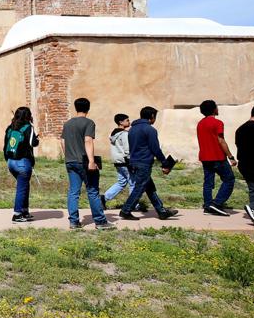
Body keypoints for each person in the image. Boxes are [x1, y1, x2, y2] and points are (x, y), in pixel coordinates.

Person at [60, 98, 114, 230]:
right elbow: (88, 140)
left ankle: (74, 222)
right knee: (92, 191)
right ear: (88, 108)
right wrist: (91, 161)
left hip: (70, 161)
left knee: (73, 192)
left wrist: (68, 156)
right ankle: (100, 222)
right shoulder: (89, 122)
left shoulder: (67, 124)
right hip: (84, 162)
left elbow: (62, 141)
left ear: (75, 108)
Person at [119, 106, 179, 221]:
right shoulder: (150, 130)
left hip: (134, 162)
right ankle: (126, 210)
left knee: (150, 188)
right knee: (139, 188)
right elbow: (155, 149)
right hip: (144, 163)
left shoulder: (132, 129)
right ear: (152, 116)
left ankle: (161, 211)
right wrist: (165, 163)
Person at [197, 100, 236, 216]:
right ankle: (217, 204)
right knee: (229, 179)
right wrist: (230, 156)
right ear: (214, 109)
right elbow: (221, 141)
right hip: (218, 157)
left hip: (205, 157)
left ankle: (208, 206)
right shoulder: (218, 123)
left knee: (208, 183)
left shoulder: (200, 123)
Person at [102, 114, 145, 213]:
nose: (129, 122)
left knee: (121, 182)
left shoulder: (113, 134)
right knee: (133, 183)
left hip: (118, 162)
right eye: (127, 120)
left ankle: (103, 198)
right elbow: (127, 149)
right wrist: (131, 162)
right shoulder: (124, 134)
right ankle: (134, 205)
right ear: (121, 122)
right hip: (125, 162)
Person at [3, 106, 38, 223]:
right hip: (23, 162)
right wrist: (36, 138)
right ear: (28, 116)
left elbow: (5, 145)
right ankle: (17, 214)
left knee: (24, 186)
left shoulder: (10, 128)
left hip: (11, 162)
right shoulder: (28, 127)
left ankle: (24, 211)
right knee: (21, 188)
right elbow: (33, 143)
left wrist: (8, 160)